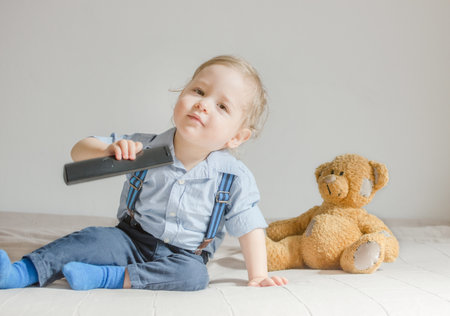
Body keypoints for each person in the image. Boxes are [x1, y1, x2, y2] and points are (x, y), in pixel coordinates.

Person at [0, 55, 288, 291]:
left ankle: (104, 278)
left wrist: (258, 274)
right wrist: (108, 150)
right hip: (128, 239)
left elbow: (249, 226)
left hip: (184, 256)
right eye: (198, 91)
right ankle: (19, 273)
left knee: (195, 277)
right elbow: (78, 150)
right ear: (182, 92)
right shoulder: (143, 147)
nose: (203, 104)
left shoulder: (233, 177)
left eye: (222, 106)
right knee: (88, 240)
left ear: (237, 137)